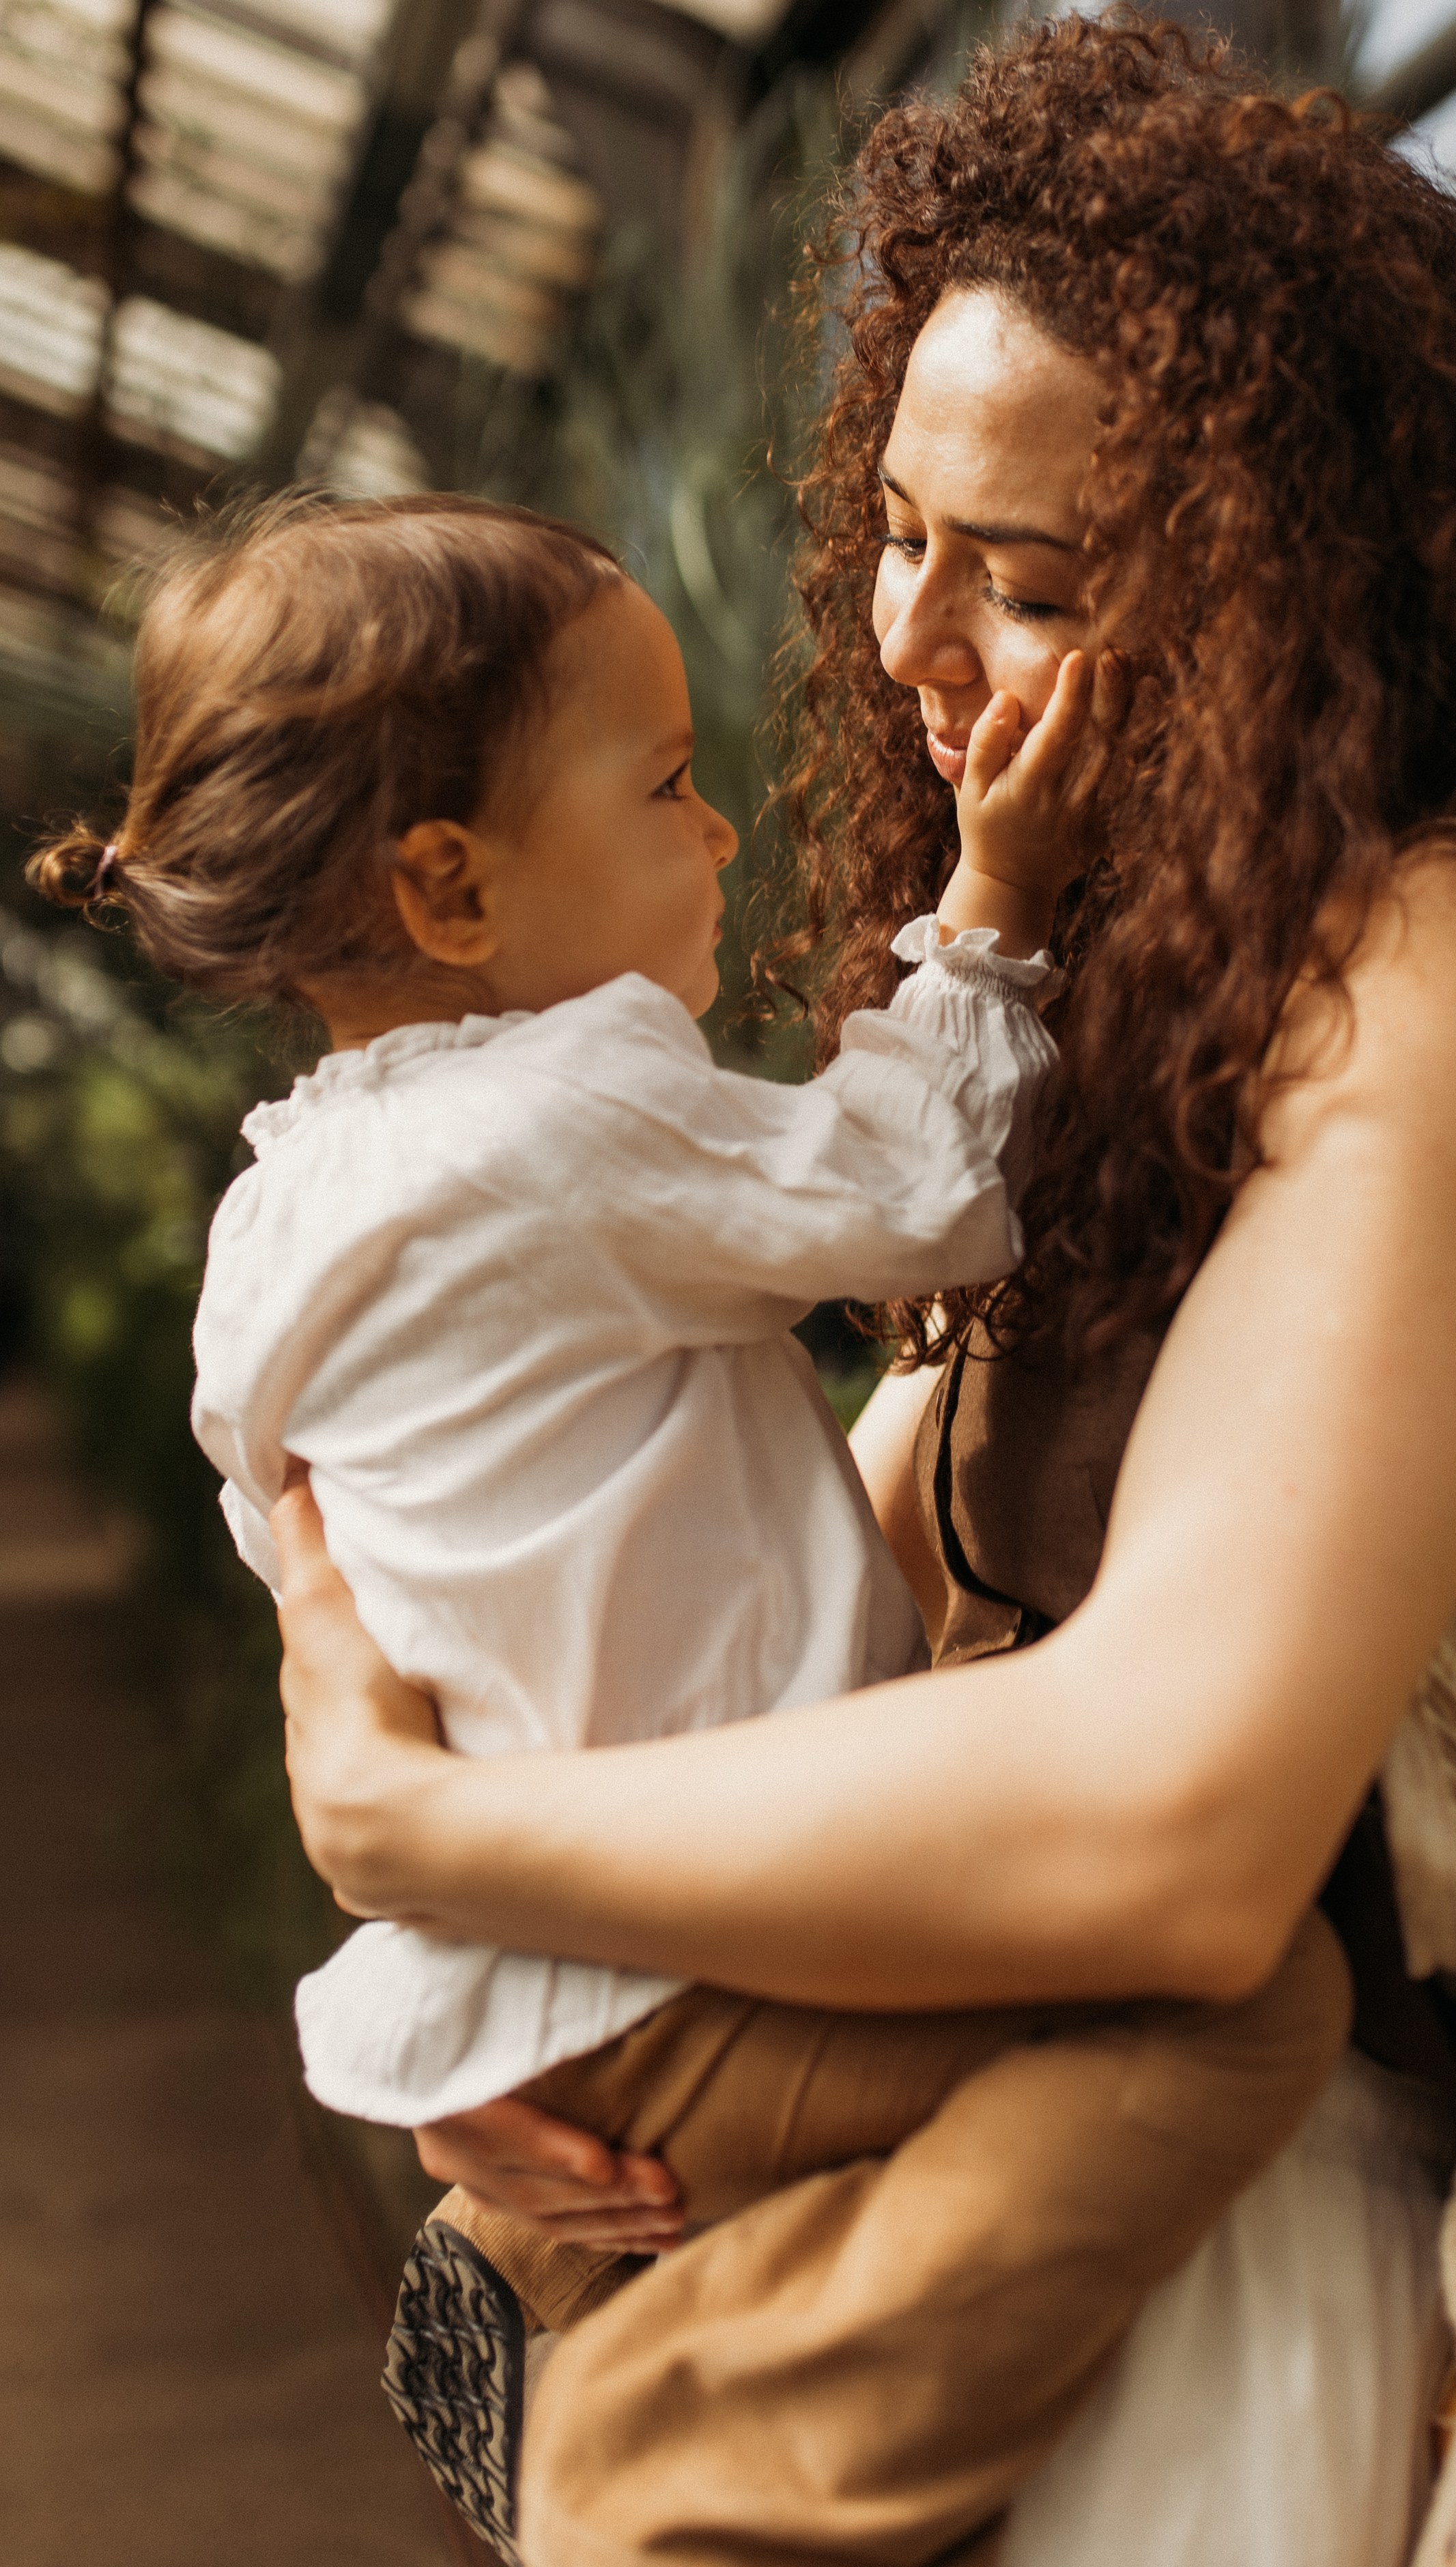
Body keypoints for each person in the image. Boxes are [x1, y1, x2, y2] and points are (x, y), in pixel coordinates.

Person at [263, 12, 1456, 2567]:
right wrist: (501, 1979)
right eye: (903, 531)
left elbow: (1179, 1827)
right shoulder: (1118, 989)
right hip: (1008, 2194)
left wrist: (447, 1839)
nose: (918, 637)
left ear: (1290, 601)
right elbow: (798, 1603)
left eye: (1032, 577)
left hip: (1261, 2270)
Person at [29, 490, 1351, 2567]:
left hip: (562, 1959)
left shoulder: (282, 1217)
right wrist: (994, 907)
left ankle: (573, 2299)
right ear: (450, 888)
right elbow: (916, 1194)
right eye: (662, 784)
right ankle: (702, 2463)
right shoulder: (567, 1113)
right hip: (715, 1929)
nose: (721, 828)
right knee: (1251, 2016)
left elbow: (340, 1594)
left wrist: (451, 1976)